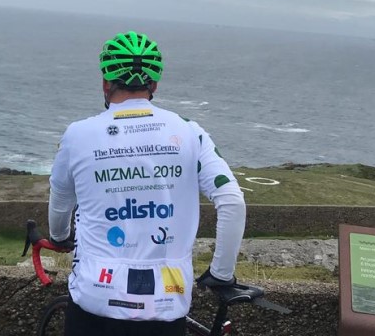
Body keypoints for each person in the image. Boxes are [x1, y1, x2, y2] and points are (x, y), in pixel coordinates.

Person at [48, 31, 247, 335]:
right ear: (154, 84)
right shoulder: (190, 132)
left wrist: (60, 235)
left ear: (105, 82)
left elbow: (61, 197)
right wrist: (221, 274)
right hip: (166, 303)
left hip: (96, 297)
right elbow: (232, 200)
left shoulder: (78, 135)